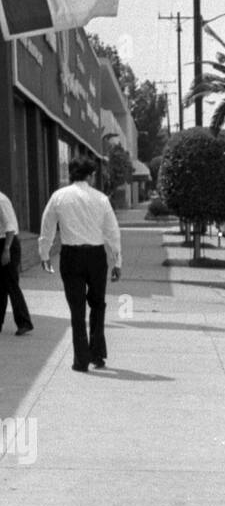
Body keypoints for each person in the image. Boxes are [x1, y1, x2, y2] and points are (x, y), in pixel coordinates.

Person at [38, 153, 122, 372]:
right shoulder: (101, 199)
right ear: (91, 175)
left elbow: (47, 227)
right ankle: (97, 353)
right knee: (98, 305)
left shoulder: (59, 197)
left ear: (71, 173)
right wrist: (117, 261)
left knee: (77, 309)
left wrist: (44, 254)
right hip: (96, 256)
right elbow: (112, 232)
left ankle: (80, 359)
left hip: (71, 256)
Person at [0, 187, 34, 336]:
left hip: (8, 243)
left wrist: (6, 249)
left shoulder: (1, 200)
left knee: (11, 284)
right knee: (0, 287)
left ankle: (24, 322)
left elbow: (10, 226)